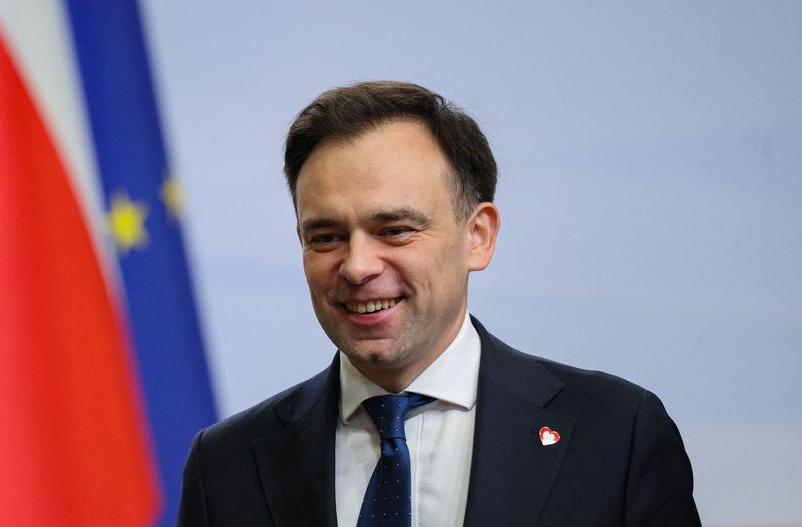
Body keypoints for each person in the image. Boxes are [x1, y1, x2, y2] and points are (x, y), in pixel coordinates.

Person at [178, 81, 701, 526]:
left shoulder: (617, 436)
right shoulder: (224, 465)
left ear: (478, 236)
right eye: (327, 237)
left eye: (395, 230)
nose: (357, 267)